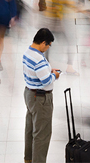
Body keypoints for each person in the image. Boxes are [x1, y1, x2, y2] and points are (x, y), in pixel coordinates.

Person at [23, 28, 60, 163]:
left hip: (29, 94)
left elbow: (36, 72)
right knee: (42, 134)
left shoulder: (28, 52)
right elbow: (46, 81)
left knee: (30, 130)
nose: (48, 47)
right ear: (43, 43)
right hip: (41, 99)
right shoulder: (38, 58)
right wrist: (54, 75)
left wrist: (48, 70)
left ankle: (28, 159)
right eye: (49, 45)